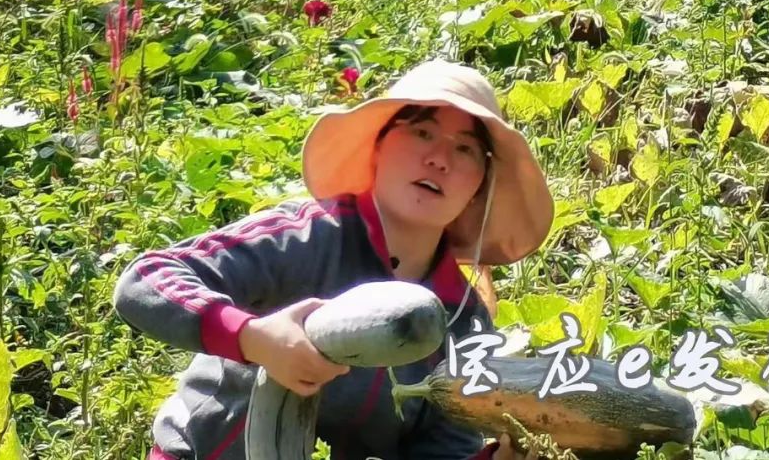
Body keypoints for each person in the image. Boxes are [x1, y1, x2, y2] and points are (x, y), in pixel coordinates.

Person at [114, 58, 554, 460]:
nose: (438, 158)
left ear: (479, 186)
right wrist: (254, 338)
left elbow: (438, 449)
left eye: (465, 149)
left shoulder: (463, 320)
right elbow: (147, 278)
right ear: (379, 147)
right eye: (422, 131)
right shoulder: (308, 235)